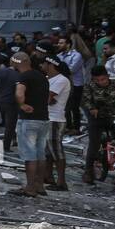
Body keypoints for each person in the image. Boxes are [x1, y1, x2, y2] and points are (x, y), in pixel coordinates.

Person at [13, 52, 51, 198]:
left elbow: (19, 93)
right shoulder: (41, 76)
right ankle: (39, 185)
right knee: (40, 154)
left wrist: (22, 105)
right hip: (44, 118)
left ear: (18, 62)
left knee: (30, 155)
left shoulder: (23, 77)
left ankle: (30, 187)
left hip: (29, 120)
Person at [83, 64, 115, 183]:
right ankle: (88, 171)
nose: (100, 82)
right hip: (96, 117)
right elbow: (86, 101)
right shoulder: (88, 87)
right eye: (96, 80)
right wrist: (92, 108)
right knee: (94, 143)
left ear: (108, 76)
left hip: (113, 116)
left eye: (103, 79)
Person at [43, 56, 72, 192]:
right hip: (49, 118)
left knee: (56, 151)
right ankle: (48, 176)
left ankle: (61, 182)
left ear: (50, 65)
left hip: (55, 119)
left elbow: (47, 99)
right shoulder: (50, 79)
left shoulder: (61, 80)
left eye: (44, 63)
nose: (41, 66)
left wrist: (45, 98)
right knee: (48, 151)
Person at [56, 34, 86, 134]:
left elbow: (71, 69)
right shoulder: (59, 56)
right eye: (58, 43)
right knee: (65, 106)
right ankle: (68, 127)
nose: (58, 45)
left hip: (76, 84)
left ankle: (76, 128)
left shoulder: (76, 55)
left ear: (68, 44)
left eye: (61, 43)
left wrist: (60, 68)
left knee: (74, 106)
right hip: (63, 84)